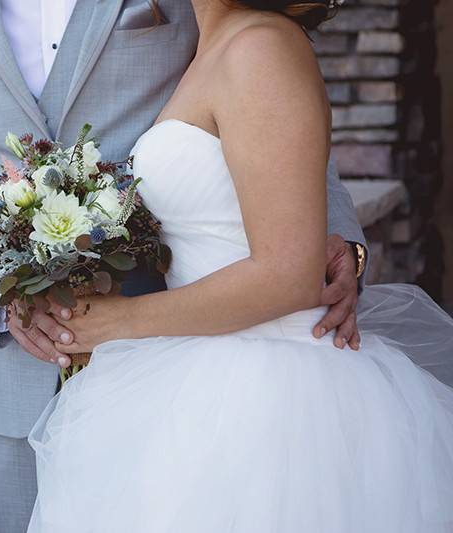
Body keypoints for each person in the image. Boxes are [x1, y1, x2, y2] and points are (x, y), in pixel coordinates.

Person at [0, 1, 368, 531]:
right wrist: (2, 301)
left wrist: (339, 243)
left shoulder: (220, 14)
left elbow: (281, 106)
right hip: (11, 372)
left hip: (180, 354)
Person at [25, 1, 453, 531]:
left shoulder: (261, 47)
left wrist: (117, 322)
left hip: (273, 400)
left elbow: (287, 274)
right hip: (194, 380)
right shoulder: (207, 49)